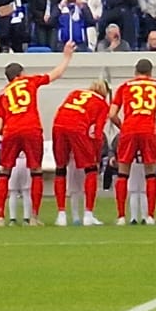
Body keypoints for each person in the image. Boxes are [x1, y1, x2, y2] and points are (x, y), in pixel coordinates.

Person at [0, 43, 75, 225]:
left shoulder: (2, 94)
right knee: (35, 171)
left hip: (11, 130)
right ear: (21, 74)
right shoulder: (30, 81)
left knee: (5, 171)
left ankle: (0, 217)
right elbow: (55, 74)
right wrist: (67, 57)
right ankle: (33, 217)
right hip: (31, 129)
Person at [110, 57, 156, 225]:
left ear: (135, 72)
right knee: (150, 172)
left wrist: (122, 127)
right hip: (148, 129)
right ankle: (150, 216)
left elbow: (112, 114)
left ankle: (121, 216)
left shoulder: (125, 86)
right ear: (150, 73)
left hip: (129, 128)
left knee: (123, 172)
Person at [49, 79, 109, 227]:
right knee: (90, 170)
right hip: (77, 127)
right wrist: (95, 155)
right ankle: (88, 214)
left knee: (61, 169)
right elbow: (98, 132)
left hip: (58, 125)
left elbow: (61, 110)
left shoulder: (75, 93)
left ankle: (61, 215)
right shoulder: (102, 103)